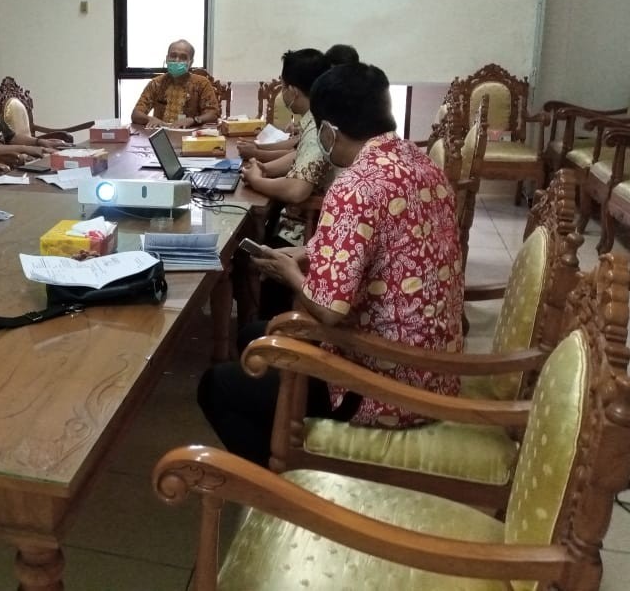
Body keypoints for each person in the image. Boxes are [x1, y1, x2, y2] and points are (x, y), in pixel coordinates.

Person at [199, 62, 464, 467]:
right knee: (254, 333)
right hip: (434, 368)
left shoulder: (355, 186)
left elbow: (329, 310)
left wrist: (290, 273)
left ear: (328, 131)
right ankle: (285, 440)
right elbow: (384, 245)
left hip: (383, 383)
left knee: (217, 385)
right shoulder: (422, 163)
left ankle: (289, 484)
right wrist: (306, 253)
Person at [241, 49, 334, 246]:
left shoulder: (319, 128)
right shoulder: (318, 117)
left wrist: (256, 180)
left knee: (244, 234)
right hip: (308, 218)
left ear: (293, 91)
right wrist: (265, 168)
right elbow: (298, 156)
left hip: (306, 232)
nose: (283, 92)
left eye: (283, 87)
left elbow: (296, 191)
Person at [130, 39, 219, 128]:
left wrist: (193, 120)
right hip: (162, 135)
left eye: (183, 57)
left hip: (191, 136)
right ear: (167, 58)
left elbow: (213, 114)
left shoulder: (201, 83)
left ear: (191, 62)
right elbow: (136, 114)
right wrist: (149, 119)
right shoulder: (156, 83)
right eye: (173, 55)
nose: (177, 60)